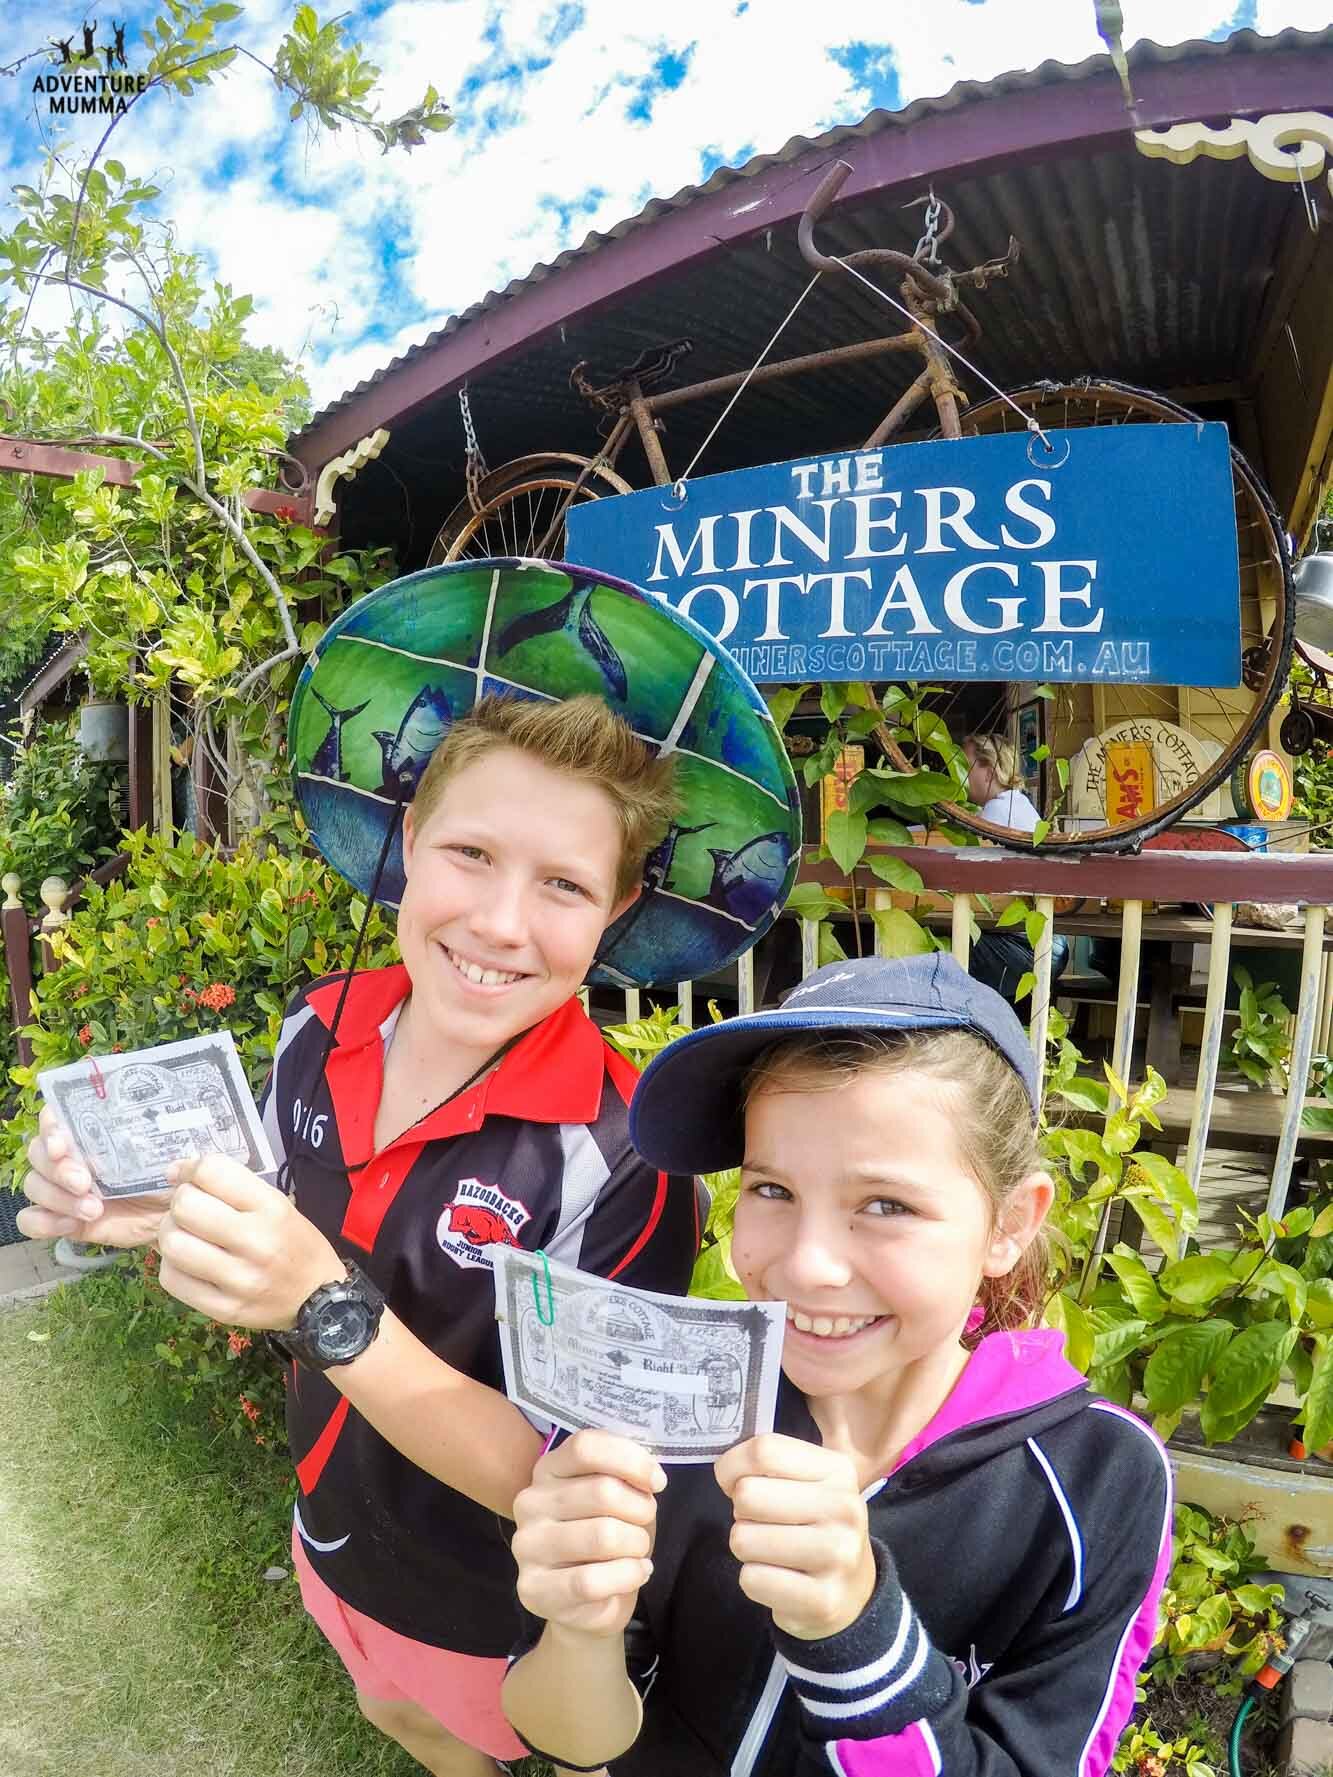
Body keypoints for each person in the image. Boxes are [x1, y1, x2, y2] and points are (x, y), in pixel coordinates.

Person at [19, 560, 803, 1777]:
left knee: (477, 1744)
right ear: (405, 840)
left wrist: (322, 1310)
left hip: (491, 1609)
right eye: (471, 854)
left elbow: (573, 1482)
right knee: (390, 1714)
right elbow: (263, 1209)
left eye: (561, 885)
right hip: (330, 1528)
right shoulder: (315, 1025)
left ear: (619, 907)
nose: (498, 922)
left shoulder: (620, 1152)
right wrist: (122, 1202)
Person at [502, 954, 1172, 1776]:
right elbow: (570, 1741)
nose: (809, 1264)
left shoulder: (1097, 1480)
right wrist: (579, 1626)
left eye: (885, 1205)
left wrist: (861, 1635)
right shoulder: (662, 1399)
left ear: (1008, 1224)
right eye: (772, 1189)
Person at [961, 732, 1070, 1005]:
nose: (959, 775)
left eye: (966, 766)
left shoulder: (996, 815)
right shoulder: (1015, 803)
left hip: (1025, 948)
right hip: (1047, 942)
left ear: (988, 771)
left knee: (938, 950)